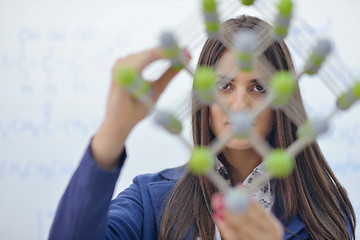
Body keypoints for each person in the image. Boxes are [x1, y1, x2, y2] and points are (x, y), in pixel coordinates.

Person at [49, 15, 356, 240]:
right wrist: (112, 132)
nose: (239, 106)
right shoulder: (149, 200)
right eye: (225, 86)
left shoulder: (324, 212)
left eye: (259, 88)